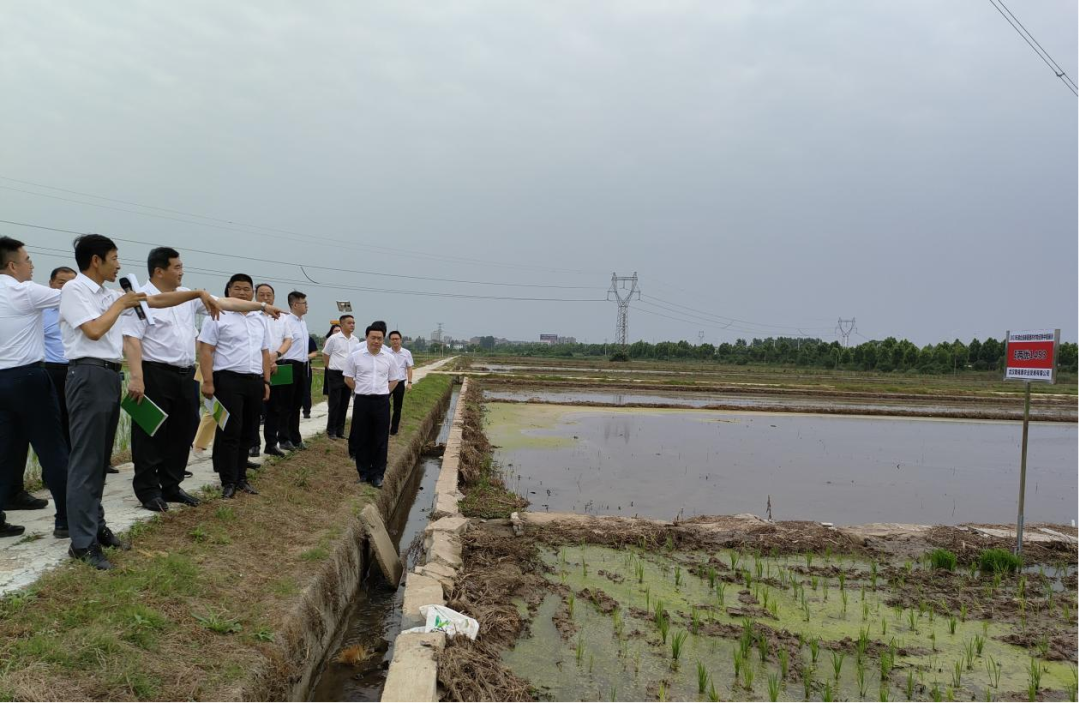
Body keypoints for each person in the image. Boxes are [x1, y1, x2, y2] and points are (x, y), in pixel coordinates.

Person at [61, 234, 216, 569]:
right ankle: (82, 543)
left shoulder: (107, 294)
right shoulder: (75, 290)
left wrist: (197, 294)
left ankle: (96, 526)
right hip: (87, 373)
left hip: (107, 374)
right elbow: (93, 330)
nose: (119, 265)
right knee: (86, 462)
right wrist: (122, 304)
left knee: (99, 461)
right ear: (96, 261)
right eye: (114, 258)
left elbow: (157, 301)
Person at [123, 247, 281, 513]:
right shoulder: (140, 299)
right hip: (154, 373)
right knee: (150, 433)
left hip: (185, 374)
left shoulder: (188, 297)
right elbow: (131, 340)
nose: (181, 271)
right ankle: (148, 490)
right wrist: (137, 378)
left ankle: (171, 485)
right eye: (177, 267)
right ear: (159, 271)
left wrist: (262, 306)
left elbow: (229, 304)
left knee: (183, 430)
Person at [0, 237, 70, 538]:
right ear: (12, 265)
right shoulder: (24, 291)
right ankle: (66, 519)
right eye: (27, 260)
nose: (31, 265)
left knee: (4, 449)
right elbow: (71, 296)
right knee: (52, 449)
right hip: (27, 377)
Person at [197, 274, 271, 499]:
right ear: (228, 290)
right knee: (230, 431)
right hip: (228, 380)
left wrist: (266, 381)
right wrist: (208, 381)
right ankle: (228, 480)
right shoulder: (217, 314)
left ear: (252, 293)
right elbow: (206, 350)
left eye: (246, 289)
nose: (242, 292)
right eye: (237, 288)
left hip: (254, 381)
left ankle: (241, 478)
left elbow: (264, 352)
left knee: (249, 431)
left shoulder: (260, 318)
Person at [343, 320, 398, 487]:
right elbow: (348, 378)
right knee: (362, 437)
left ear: (383, 340)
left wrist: (384, 392)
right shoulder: (355, 357)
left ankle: (378, 475)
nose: (376, 341)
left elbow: (394, 379)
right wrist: (360, 389)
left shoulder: (389, 358)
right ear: (366, 337)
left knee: (380, 439)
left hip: (381, 402)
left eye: (379, 338)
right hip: (362, 401)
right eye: (373, 337)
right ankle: (364, 472)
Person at [256, 283, 292, 457]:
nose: (265, 298)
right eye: (261, 294)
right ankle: (253, 444)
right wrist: (265, 361)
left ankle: (271, 443)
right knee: (255, 408)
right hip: (256, 366)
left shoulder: (282, 317)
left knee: (275, 408)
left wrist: (275, 356)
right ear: (256, 296)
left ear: (274, 297)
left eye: (269, 295)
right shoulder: (252, 315)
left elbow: (288, 340)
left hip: (277, 365)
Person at [278, 291, 310, 451]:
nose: (307, 306)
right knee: (286, 404)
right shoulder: (285, 320)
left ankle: (295, 437)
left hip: (301, 366)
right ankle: (283, 438)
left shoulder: (302, 322)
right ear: (295, 304)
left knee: (297, 403)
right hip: (288, 364)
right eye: (304, 303)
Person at [322, 316, 358, 439]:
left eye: (353, 323)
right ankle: (331, 430)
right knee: (335, 403)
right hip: (335, 374)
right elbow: (325, 354)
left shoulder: (355, 340)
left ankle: (340, 430)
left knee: (344, 403)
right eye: (349, 323)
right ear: (342, 325)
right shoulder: (333, 338)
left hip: (348, 374)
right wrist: (329, 367)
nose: (352, 325)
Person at [386, 331, 415, 435]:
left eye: (397, 339)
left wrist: (410, 382)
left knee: (397, 407)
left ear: (401, 340)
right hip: (387, 383)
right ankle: (384, 426)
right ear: (390, 341)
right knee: (384, 405)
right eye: (393, 339)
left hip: (399, 383)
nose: (395, 341)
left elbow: (409, 368)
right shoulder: (386, 352)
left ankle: (394, 429)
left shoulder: (406, 353)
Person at [302, 333, 317, 419]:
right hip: (290, 366)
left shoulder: (308, 339)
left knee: (306, 390)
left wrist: (306, 356)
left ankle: (306, 411)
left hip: (305, 367)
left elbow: (314, 353)